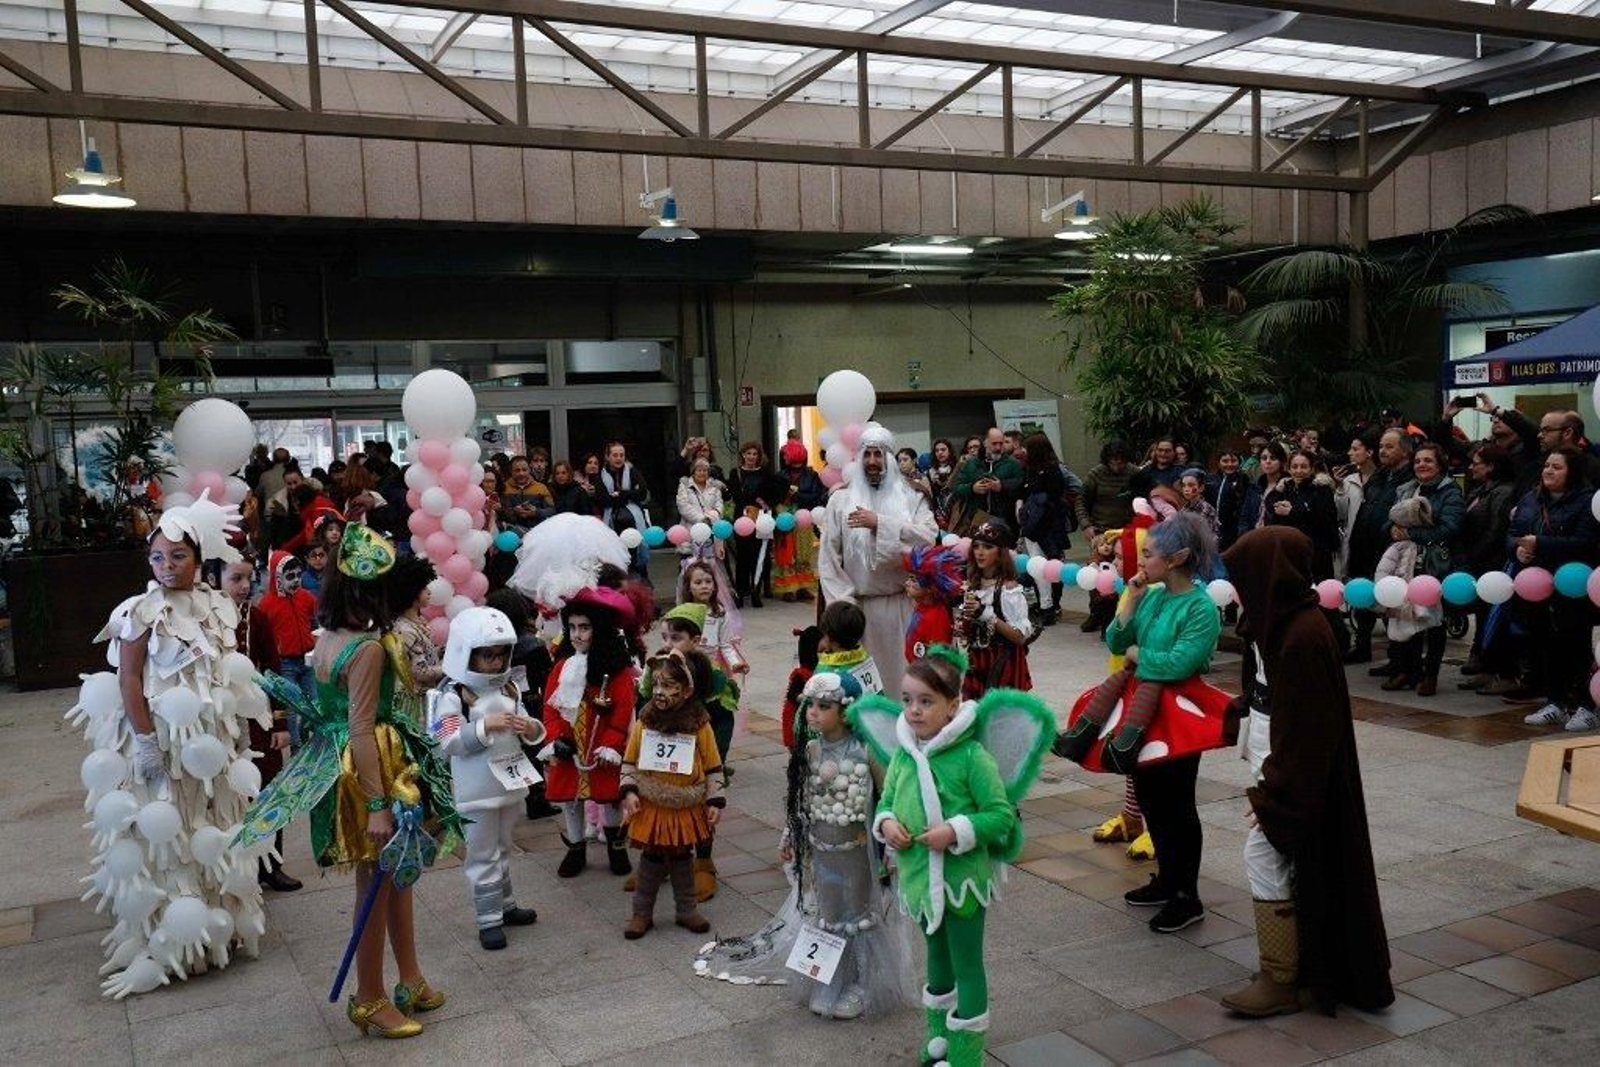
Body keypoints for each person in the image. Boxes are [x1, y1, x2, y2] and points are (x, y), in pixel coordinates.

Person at [243, 523, 465, 1035]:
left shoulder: (332, 638)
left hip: (351, 759)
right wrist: (378, 804)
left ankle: (409, 978)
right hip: (372, 768)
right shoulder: (365, 647)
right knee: (375, 887)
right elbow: (362, 727)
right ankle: (369, 997)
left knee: (398, 877)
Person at [77, 498, 272, 999]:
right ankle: (166, 938)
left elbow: (225, 674)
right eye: (159, 558)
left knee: (211, 823)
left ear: (197, 557)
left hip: (211, 743)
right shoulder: (139, 612)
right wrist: (143, 741)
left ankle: (213, 930)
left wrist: (236, 728)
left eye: (178, 556)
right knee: (168, 833)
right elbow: (131, 680)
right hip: (161, 741)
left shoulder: (216, 604)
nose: (167, 567)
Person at [1219, 526, 1393, 1018]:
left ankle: (1281, 976)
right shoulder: (1275, 621)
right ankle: (1298, 967)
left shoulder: (1303, 636)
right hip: (1282, 764)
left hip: (1300, 777)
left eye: (1244, 573)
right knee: (1295, 864)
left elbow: (1310, 731)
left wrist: (1277, 795)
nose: (1237, 585)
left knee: (1264, 852)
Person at [867, 647, 1053, 1067]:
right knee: (935, 958)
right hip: (919, 878)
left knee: (966, 962)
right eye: (908, 700)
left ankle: (967, 1054)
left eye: (926, 701)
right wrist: (887, 825)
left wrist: (956, 831)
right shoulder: (902, 754)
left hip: (962, 880)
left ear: (952, 706)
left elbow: (1000, 816)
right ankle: (940, 1040)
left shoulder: (971, 756)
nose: (914, 711)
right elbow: (888, 802)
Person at [694, 670, 916, 1019]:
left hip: (857, 851)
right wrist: (791, 833)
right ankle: (829, 980)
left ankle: (859, 984)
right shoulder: (810, 750)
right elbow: (802, 800)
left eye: (823, 706)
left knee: (857, 916)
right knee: (828, 915)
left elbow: (890, 796)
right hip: (822, 850)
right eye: (810, 705)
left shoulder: (864, 750)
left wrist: (891, 842)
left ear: (845, 711)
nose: (813, 712)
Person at [1067, 514, 1222, 933]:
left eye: (1149, 554)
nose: (1139, 559)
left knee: (1177, 803)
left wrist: (1139, 657)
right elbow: (1117, 641)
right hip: (1144, 707)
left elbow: (1181, 664)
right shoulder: (1151, 595)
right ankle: (1167, 879)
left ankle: (1187, 896)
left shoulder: (1201, 607)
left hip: (1179, 712)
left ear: (1178, 559)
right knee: (1151, 796)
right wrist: (1130, 602)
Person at [431, 607, 545, 950]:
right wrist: (483, 727)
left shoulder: (510, 689)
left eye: (500, 656)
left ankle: (505, 905)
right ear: (466, 653)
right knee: (482, 854)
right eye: (487, 656)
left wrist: (530, 728)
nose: (495, 664)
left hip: (510, 786)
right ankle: (488, 919)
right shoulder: (451, 695)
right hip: (475, 792)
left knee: (503, 847)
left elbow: (532, 729)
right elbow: (446, 741)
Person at [817, 425, 938, 697]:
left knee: (906, 681)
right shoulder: (840, 500)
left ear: (890, 460)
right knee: (865, 688)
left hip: (903, 607)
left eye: (879, 455)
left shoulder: (912, 497)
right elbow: (829, 560)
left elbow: (928, 538)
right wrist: (844, 613)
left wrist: (880, 524)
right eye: (867, 454)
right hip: (860, 611)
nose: (872, 462)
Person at [619, 647, 723, 938]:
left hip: (686, 804)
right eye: (656, 684)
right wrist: (628, 791)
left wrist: (715, 800)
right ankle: (641, 913)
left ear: (686, 690)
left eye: (669, 686)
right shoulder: (645, 721)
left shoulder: (700, 726)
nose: (660, 692)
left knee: (681, 858)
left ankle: (686, 910)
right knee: (651, 859)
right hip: (651, 804)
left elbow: (714, 765)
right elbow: (629, 760)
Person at [539, 586, 639, 878]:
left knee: (608, 797)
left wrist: (612, 743)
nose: (576, 634)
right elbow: (550, 708)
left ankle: (615, 848)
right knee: (571, 799)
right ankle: (576, 848)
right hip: (570, 745)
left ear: (600, 630)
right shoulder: (560, 666)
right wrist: (556, 737)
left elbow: (623, 709)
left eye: (584, 627)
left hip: (601, 747)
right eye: (571, 627)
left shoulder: (617, 669)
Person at [218, 556, 302, 893]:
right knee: (229, 794)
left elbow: (273, 671)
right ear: (214, 577)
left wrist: (280, 723)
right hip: (221, 722)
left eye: (248, 578)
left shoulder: (258, 617)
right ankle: (236, 867)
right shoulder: (204, 621)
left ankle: (272, 865)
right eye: (235, 578)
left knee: (269, 789)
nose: (243, 586)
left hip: (258, 719)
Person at [1513, 448, 1600, 730]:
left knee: (1579, 646)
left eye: (1557, 467)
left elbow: (1585, 544)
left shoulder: (1587, 502)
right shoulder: (1531, 498)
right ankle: (1555, 702)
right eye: (1547, 465)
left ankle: (1588, 706)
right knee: (1548, 644)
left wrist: (1539, 544)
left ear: (1572, 472)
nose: (1548, 471)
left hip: (1575, 585)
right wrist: (1518, 550)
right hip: (1537, 584)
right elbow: (1512, 534)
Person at [1345, 429, 1413, 667]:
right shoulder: (1380, 475)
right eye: (1381, 446)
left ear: (1404, 450)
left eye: (1389, 446)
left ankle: (1399, 658)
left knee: (1391, 603)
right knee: (1363, 598)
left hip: (1390, 549)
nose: (1382, 451)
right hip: (1365, 546)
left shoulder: (1410, 479)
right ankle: (1361, 646)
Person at [1457, 445, 1518, 691]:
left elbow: (1495, 530)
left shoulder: (1502, 493)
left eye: (1477, 462)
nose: (1471, 467)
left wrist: (1475, 555)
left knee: (1497, 620)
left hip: (1492, 565)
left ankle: (1502, 672)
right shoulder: (1480, 491)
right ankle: (1487, 667)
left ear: (1491, 466)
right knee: (1483, 618)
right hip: (1479, 564)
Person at [957, 520, 1033, 699]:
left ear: (1000, 552)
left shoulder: (1009, 589)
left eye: (988, 546)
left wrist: (985, 614)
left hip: (1003, 664)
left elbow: (1020, 637)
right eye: (976, 546)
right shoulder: (972, 584)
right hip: (976, 661)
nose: (980, 552)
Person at [1076, 441, 1136, 631]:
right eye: (1113, 462)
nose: (1117, 466)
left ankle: (1119, 617)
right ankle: (1096, 614)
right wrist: (1086, 526)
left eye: (1121, 462)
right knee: (1096, 577)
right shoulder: (1096, 474)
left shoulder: (1134, 473)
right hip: (1101, 533)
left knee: (1122, 577)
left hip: (1125, 533)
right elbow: (1081, 502)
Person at [257, 549, 318, 733]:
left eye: (299, 575)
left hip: (307, 659)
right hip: (285, 663)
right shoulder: (266, 605)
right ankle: (294, 745)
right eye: (290, 576)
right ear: (277, 578)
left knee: (314, 703)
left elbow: (315, 621)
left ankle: (316, 740)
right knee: (290, 707)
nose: (296, 580)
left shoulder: (307, 597)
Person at [1018, 433, 1070, 626]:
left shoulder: (1053, 471)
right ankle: (1046, 606)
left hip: (1047, 529)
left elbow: (1054, 501)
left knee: (1051, 569)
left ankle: (1050, 606)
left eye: (1027, 448)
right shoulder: (1031, 469)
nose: (1023, 451)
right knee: (1038, 570)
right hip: (1034, 528)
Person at [1265, 451, 1340, 581]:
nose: (1299, 471)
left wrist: (1293, 512)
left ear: (1311, 469)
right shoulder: (1286, 487)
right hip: (1289, 551)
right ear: (1288, 468)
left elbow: (1324, 520)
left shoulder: (1321, 489)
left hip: (1315, 554)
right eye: (1294, 467)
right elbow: (1270, 504)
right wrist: (1277, 494)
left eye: (1304, 467)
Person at [728, 442, 782, 608]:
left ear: (759, 456)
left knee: (759, 555)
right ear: (742, 455)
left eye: (754, 454)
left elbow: (775, 492)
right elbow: (735, 495)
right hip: (743, 518)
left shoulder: (766, 473)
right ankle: (740, 592)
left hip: (761, 518)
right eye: (748, 453)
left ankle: (756, 591)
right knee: (742, 556)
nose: (751, 456)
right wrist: (747, 506)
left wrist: (765, 503)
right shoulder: (735, 473)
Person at [385, 556, 443, 707]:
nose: (429, 592)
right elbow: (420, 672)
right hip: (417, 703)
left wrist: (441, 651)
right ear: (410, 593)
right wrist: (449, 668)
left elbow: (424, 656)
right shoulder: (405, 630)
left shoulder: (417, 622)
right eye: (424, 589)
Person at [773, 440, 824, 602]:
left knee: (803, 554)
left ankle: (803, 588)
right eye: (792, 460)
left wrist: (797, 496)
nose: (796, 464)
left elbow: (816, 497)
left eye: (799, 461)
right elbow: (773, 497)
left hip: (804, 520)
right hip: (784, 520)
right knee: (786, 554)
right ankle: (788, 588)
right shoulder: (779, 476)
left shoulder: (812, 475)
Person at [951, 427, 1023, 536]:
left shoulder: (1013, 464)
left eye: (1001, 443)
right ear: (985, 443)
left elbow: (1021, 488)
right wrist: (972, 488)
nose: (998, 447)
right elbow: (957, 489)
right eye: (994, 444)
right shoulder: (972, 463)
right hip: (976, 519)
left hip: (1004, 520)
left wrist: (1002, 486)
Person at [599, 442, 651, 580]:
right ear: (607, 457)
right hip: (612, 522)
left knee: (635, 560)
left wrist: (621, 494)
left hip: (634, 523)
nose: (619, 458)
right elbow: (603, 499)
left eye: (622, 455)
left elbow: (642, 493)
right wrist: (629, 494)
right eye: (615, 455)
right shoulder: (601, 474)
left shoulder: (632, 471)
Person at [904, 545, 963, 663]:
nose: (907, 583)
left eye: (914, 580)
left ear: (930, 588)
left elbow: (938, 657)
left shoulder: (936, 617)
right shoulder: (921, 608)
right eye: (909, 579)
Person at [1335, 433, 1377, 579]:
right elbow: (1340, 513)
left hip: (1375, 545)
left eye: (1354, 449)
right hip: (1353, 544)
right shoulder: (1348, 480)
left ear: (1370, 452)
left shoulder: (1383, 479)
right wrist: (1340, 488)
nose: (1349, 453)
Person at [675, 457, 729, 567]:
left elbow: (719, 505)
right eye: (699, 470)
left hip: (712, 531)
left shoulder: (714, 487)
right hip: (690, 531)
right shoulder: (685, 486)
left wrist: (714, 516)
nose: (702, 473)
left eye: (705, 470)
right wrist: (702, 519)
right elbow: (683, 506)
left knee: (711, 567)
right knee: (689, 568)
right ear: (693, 472)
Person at [1235, 442, 1287, 544]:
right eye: (1264, 458)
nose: (1268, 461)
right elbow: (1244, 517)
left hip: (1275, 543)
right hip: (1252, 541)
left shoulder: (1288, 487)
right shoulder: (1254, 487)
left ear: (1281, 461)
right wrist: (1245, 539)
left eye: (1273, 458)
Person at [500, 455, 554, 533]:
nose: (521, 473)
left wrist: (536, 512)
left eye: (524, 470)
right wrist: (514, 512)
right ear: (511, 472)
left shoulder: (541, 488)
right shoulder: (504, 488)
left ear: (529, 470)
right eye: (517, 470)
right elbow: (500, 512)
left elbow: (552, 510)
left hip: (537, 532)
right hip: (513, 534)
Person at [1177, 468, 1219, 538]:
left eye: (1191, 485)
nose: (1186, 489)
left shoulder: (1205, 509)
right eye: (1184, 486)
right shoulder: (1185, 508)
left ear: (1201, 488)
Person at [928, 438, 958, 521]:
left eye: (943, 450)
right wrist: (934, 484)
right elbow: (931, 496)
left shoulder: (957, 468)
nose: (940, 453)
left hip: (956, 509)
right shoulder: (931, 472)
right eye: (937, 451)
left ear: (950, 451)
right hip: (938, 512)